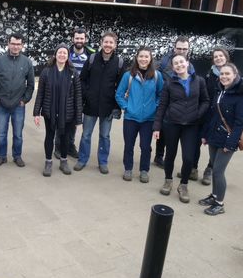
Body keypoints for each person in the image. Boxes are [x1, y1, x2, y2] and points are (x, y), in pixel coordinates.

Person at [153, 54, 209, 203]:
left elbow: (205, 101)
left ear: (187, 63)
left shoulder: (199, 81)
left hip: (191, 125)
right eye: (175, 63)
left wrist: (198, 113)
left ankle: (183, 185)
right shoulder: (169, 84)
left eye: (181, 62)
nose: (179, 65)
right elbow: (162, 106)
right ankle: (168, 180)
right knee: (170, 155)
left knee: (189, 158)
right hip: (172, 124)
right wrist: (157, 126)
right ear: (173, 67)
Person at [199, 63, 243, 215]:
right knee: (214, 167)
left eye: (227, 74)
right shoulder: (220, 90)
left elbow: (240, 122)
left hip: (227, 139)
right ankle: (214, 195)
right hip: (214, 136)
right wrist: (205, 134)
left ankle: (219, 203)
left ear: (235, 75)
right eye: (222, 74)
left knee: (217, 171)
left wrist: (230, 143)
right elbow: (212, 115)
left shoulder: (242, 95)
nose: (224, 77)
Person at [74, 31, 123, 174]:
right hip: (90, 105)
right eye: (106, 42)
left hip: (108, 107)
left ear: (115, 45)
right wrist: (86, 96)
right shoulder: (91, 59)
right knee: (86, 135)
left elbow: (120, 88)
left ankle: (103, 162)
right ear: (101, 43)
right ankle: (82, 159)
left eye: (111, 43)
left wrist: (116, 107)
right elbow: (82, 80)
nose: (108, 45)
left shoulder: (119, 63)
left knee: (105, 136)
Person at [33, 43, 82, 177]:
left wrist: (78, 118)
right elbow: (40, 93)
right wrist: (36, 112)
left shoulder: (73, 73)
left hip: (68, 112)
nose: (62, 55)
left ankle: (64, 161)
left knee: (65, 137)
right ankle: (48, 162)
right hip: (50, 111)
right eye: (59, 52)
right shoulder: (46, 72)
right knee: (49, 136)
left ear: (68, 56)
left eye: (64, 53)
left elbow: (78, 95)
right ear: (55, 55)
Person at [115, 46, 164, 183]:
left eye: (146, 57)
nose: (143, 59)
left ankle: (144, 170)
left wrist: (154, 106)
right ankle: (128, 168)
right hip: (131, 117)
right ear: (137, 58)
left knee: (145, 146)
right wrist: (127, 107)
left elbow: (161, 95)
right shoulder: (128, 76)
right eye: (141, 56)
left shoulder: (157, 76)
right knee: (129, 145)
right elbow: (119, 94)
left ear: (150, 59)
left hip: (148, 119)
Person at [0, 32, 35, 168]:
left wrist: (24, 100)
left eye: (18, 44)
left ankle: (17, 156)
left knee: (18, 134)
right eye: (13, 43)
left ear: (22, 45)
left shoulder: (27, 62)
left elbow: (31, 84)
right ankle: (2, 156)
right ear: (8, 44)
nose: (15, 46)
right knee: (1, 134)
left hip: (18, 105)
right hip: (2, 105)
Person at [154, 36, 196, 169]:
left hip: (181, 105)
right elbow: (154, 77)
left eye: (185, 49)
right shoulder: (164, 62)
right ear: (174, 48)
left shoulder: (190, 66)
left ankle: (167, 157)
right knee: (163, 130)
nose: (182, 51)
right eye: (179, 48)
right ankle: (159, 155)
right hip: (165, 101)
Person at [54, 27, 95, 159]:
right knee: (60, 120)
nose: (79, 40)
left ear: (85, 39)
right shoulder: (66, 53)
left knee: (73, 122)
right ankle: (58, 147)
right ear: (73, 39)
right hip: (64, 94)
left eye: (81, 38)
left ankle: (70, 145)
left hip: (80, 95)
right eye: (76, 38)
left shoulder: (91, 55)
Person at [198, 47, 230, 186]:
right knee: (201, 139)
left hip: (223, 115)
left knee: (217, 144)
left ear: (226, 57)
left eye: (221, 56)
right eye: (216, 56)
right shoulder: (210, 73)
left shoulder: (231, 73)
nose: (218, 58)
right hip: (209, 112)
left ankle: (210, 169)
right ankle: (193, 167)